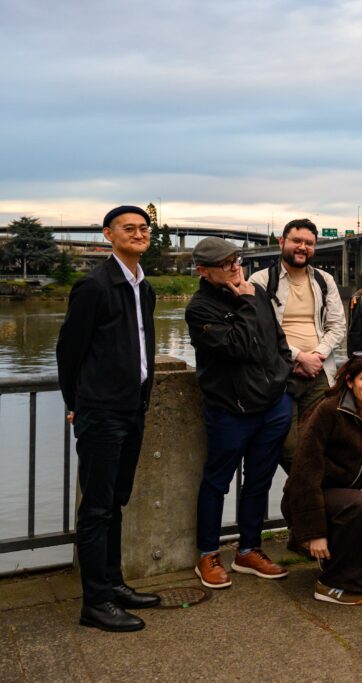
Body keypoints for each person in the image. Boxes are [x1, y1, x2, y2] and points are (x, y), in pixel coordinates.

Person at [56, 205, 159, 632]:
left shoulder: (143, 287)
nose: (138, 233)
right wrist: (75, 403)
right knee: (97, 507)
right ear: (108, 235)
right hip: (101, 411)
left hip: (133, 407)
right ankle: (95, 603)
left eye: (143, 228)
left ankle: (113, 584)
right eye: (128, 228)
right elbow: (69, 350)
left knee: (116, 501)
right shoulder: (94, 286)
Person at [186, 237, 292, 590]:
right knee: (216, 482)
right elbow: (237, 346)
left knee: (259, 481)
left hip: (272, 406)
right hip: (231, 410)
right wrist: (246, 302)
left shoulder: (255, 293)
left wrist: (282, 375)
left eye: (237, 260)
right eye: (226, 263)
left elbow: (276, 338)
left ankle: (248, 550)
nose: (235, 267)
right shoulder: (200, 309)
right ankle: (208, 554)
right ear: (203, 271)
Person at [283, 355, 362, 605]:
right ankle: (333, 583)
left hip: (352, 506)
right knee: (360, 502)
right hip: (314, 499)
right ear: (350, 382)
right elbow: (304, 472)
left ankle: (332, 555)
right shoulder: (329, 410)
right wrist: (314, 531)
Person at [250, 218, 345, 474]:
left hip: (319, 373)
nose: (303, 247)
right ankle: (306, 491)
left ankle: (311, 494)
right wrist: (299, 357)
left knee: (321, 440)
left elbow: (338, 326)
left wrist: (316, 356)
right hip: (279, 374)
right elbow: (259, 331)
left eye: (309, 243)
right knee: (288, 445)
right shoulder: (261, 281)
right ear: (282, 242)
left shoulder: (324, 281)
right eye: (297, 241)